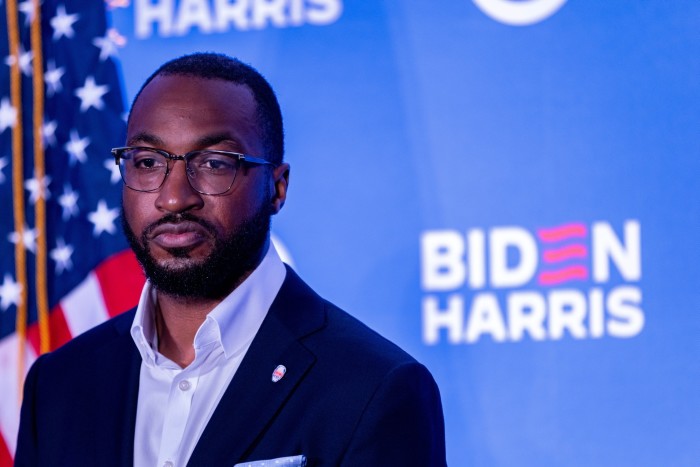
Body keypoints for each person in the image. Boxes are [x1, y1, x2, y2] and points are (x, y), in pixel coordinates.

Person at [15, 53, 446, 466]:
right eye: (147, 162)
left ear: (277, 188)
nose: (173, 197)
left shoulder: (372, 389)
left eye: (214, 164)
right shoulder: (57, 386)